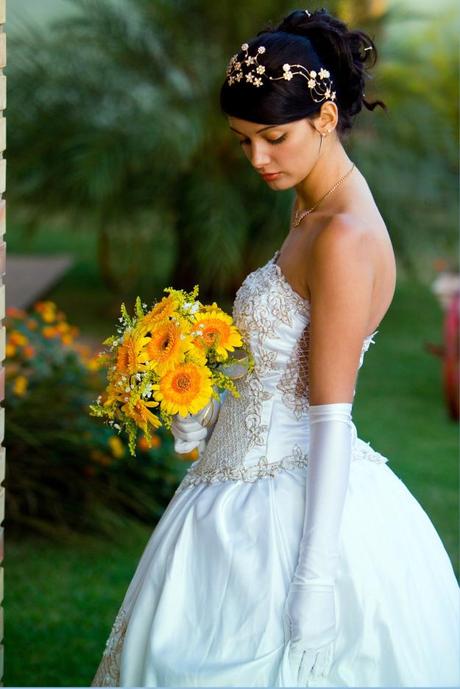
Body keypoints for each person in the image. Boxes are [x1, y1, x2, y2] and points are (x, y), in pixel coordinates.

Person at [91, 8, 460, 687]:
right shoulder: (310, 203)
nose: (258, 158)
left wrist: (314, 584)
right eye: (242, 141)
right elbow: (278, 353)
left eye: (272, 137)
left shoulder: (344, 235)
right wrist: (200, 401)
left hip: (284, 509)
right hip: (230, 485)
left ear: (323, 115)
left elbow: (328, 417)